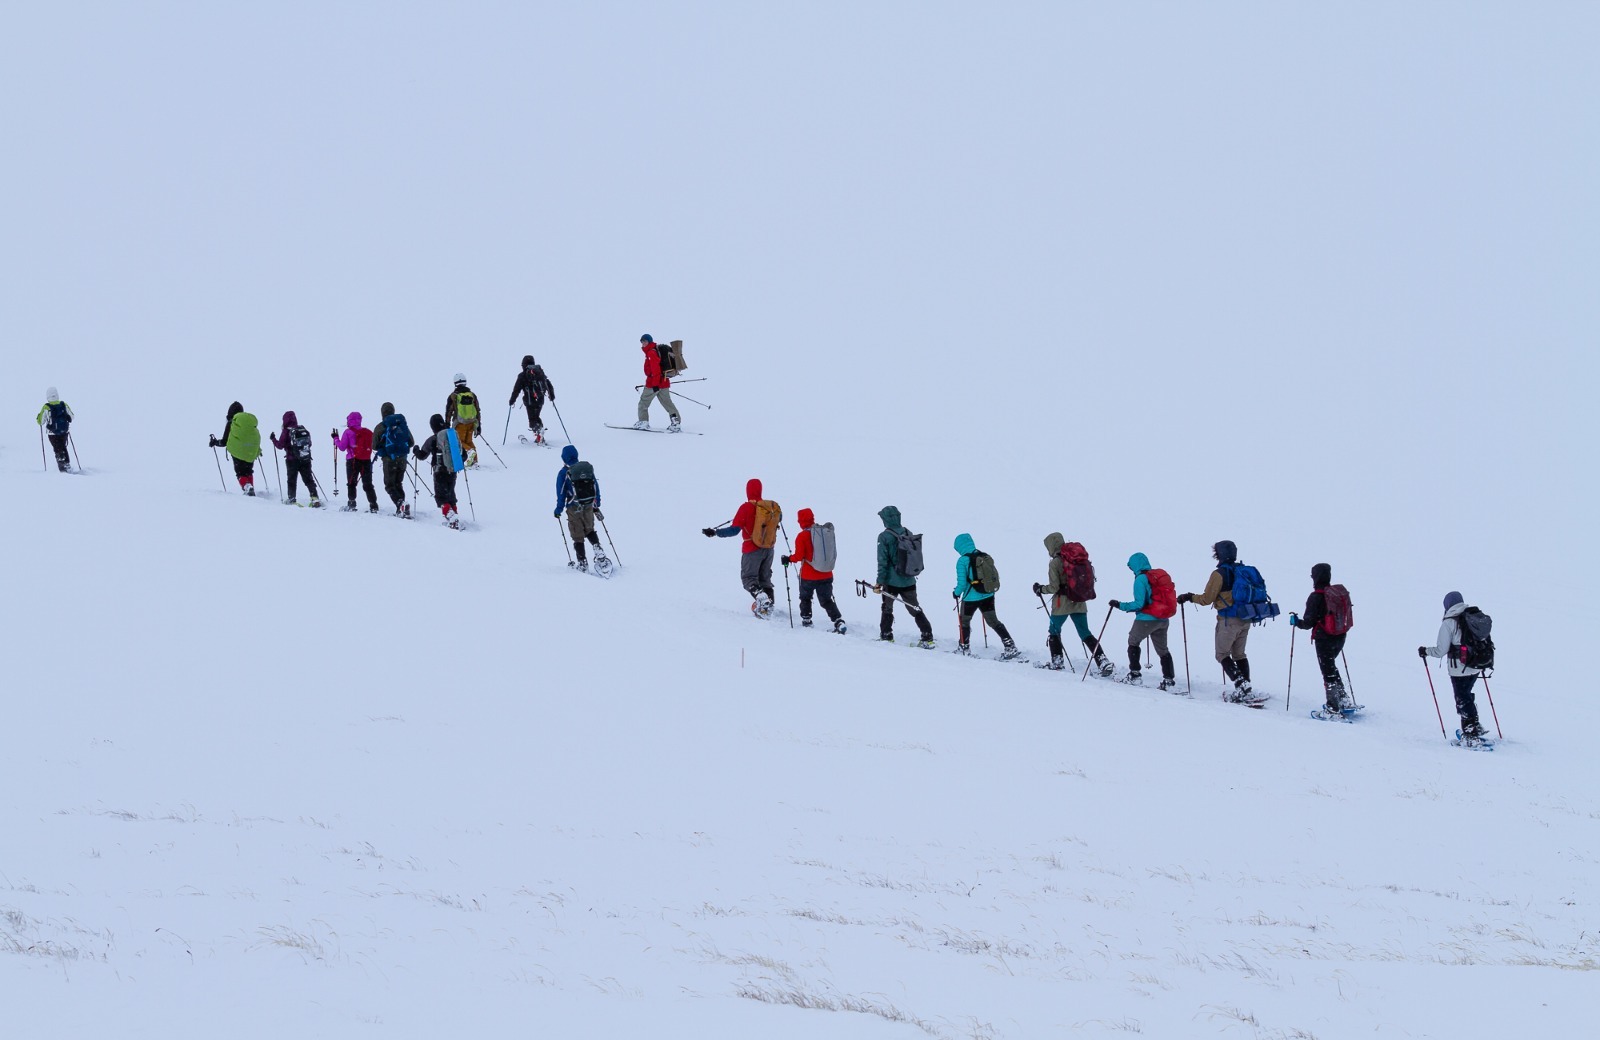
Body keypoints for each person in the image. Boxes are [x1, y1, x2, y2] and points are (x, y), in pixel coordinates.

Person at [1176, 540, 1256, 700]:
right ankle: (1246, 686)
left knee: (1221, 654)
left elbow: (1207, 599)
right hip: (1246, 617)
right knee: (1239, 654)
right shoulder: (1243, 570)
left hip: (1228, 619)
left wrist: (1190, 597)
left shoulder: (1219, 574)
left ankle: (1241, 685)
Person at [1032, 533, 1116, 675]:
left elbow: (1054, 587)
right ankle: (1103, 661)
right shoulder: (1076, 559)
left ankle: (1057, 662)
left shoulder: (1055, 563)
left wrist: (1040, 589)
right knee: (1085, 632)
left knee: (1054, 631)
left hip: (1061, 604)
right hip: (1079, 600)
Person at [703, 479, 779, 616]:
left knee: (749, 578)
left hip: (752, 548)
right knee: (765, 578)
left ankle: (762, 600)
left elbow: (734, 530)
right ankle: (769, 606)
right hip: (769, 548)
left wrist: (716, 532)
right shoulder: (769, 507)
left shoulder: (746, 508)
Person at [1420, 591, 1488, 739]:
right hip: (1475, 666)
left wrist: (1425, 651)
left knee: (1462, 699)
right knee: (1466, 696)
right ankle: (1475, 726)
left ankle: (1471, 734)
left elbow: (1440, 650)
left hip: (1459, 669)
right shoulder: (1472, 616)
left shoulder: (1449, 622)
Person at [1289, 563, 1354, 714]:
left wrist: (1296, 622)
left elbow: (1308, 623)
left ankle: (1333, 707)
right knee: (1331, 666)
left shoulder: (1316, 597)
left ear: (1315, 577)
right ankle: (1343, 699)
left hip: (1324, 638)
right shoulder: (1336, 594)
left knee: (1327, 671)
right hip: (1340, 636)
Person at [1108, 552, 1178, 690]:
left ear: (1135, 566)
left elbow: (1139, 604)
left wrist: (1120, 605)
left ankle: (1135, 675)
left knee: (1133, 641)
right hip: (1163, 619)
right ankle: (1169, 680)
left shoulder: (1140, 579)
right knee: (1163, 650)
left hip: (1146, 619)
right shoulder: (1155, 577)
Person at [874, 505, 936, 648]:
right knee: (915, 607)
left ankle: (886, 635)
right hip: (909, 578)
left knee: (887, 607)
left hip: (892, 581)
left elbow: (882, 562)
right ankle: (927, 636)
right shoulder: (908, 532)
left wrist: (879, 582)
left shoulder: (884, 537)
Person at [951, 534, 1020, 658]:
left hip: (970, 598)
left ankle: (964, 647)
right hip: (988, 594)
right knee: (993, 621)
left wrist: (956, 593)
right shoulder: (984, 556)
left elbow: (961, 583)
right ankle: (1010, 646)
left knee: (964, 621)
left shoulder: (962, 560)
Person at [782, 508, 845, 633]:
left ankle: (806, 619)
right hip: (826, 573)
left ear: (800, 521)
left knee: (805, 597)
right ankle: (838, 621)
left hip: (808, 576)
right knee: (827, 600)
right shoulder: (822, 533)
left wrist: (788, 559)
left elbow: (799, 556)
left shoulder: (802, 536)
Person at [554, 445, 609, 571]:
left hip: (573, 507)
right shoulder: (585, 469)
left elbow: (561, 492)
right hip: (589, 504)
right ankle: (597, 548)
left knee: (577, 535)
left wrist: (558, 510)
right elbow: (595, 485)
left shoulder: (563, 473)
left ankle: (582, 563)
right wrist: (597, 503)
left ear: (563, 458)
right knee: (589, 529)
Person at [412, 413, 462, 528]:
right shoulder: (452, 435)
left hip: (439, 471)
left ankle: (451, 517)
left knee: (441, 497)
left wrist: (416, 450)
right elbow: (462, 453)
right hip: (453, 470)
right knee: (450, 493)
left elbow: (422, 456)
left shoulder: (433, 439)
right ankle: (454, 514)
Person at [269, 410, 322, 506]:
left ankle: (292, 499)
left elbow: (280, 446)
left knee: (292, 480)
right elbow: (309, 444)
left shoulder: (286, 431)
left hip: (291, 460)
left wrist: (273, 439)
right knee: (308, 479)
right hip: (305, 458)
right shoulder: (302, 429)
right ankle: (315, 497)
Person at [370, 403, 413, 517]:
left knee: (390, 485)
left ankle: (400, 504)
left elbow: (374, 446)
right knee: (398, 483)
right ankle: (402, 507)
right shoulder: (401, 424)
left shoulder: (380, 427)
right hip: (403, 458)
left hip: (389, 460)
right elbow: (411, 442)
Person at [210, 401, 262, 496]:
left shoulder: (232, 422)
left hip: (238, 452)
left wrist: (215, 442)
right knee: (248, 471)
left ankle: (247, 486)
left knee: (240, 473)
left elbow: (224, 442)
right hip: (251, 451)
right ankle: (250, 487)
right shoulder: (250, 422)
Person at [331, 411, 379, 513]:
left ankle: (351, 504)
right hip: (366, 460)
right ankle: (373, 505)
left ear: (349, 420)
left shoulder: (348, 432)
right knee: (368, 484)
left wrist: (335, 438)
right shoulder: (367, 432)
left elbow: (342, 447)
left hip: (353, 460)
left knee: (351, 483)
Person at [634, 334, 682, 431]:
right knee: (667, 403)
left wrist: (655, 384)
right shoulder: (654, 350)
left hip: (653, 383)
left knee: (643, 403)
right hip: (664, 382)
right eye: (642, 341)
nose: (643, 343)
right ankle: (676, 422)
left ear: (650, 342)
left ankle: (643, 422)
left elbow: (655, 370)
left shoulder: (651, 353)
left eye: (645, 341)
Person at [509, 355, 556, 443]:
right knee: (536, 416)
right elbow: (548, 384)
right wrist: (551, 396)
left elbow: (516, 389)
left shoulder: (522, 375)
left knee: (532, 419)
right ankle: (540, 434)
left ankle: (539, 431)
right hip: (540, 400)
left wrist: (512, 400)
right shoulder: (540, 373)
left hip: (529, 401)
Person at [444, 374, 482, 467]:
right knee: (469, 441)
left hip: (460, 423)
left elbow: (449, 411)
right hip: (471, 422)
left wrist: (447, 423)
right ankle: (474, 461)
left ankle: (470, 452)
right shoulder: (472, 395)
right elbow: (477, 410)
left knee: (458, 441)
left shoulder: (453, 396)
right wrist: (478, 425)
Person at [36, 387, 74, 472]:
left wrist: (38, 417)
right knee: (63, 446)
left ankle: (62, 468)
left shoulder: (46, 407)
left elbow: (41, 422)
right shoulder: (63, 404)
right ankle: (67, 464)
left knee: (57, 448)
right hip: (64, 431)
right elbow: (72, 416)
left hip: (52, 433)